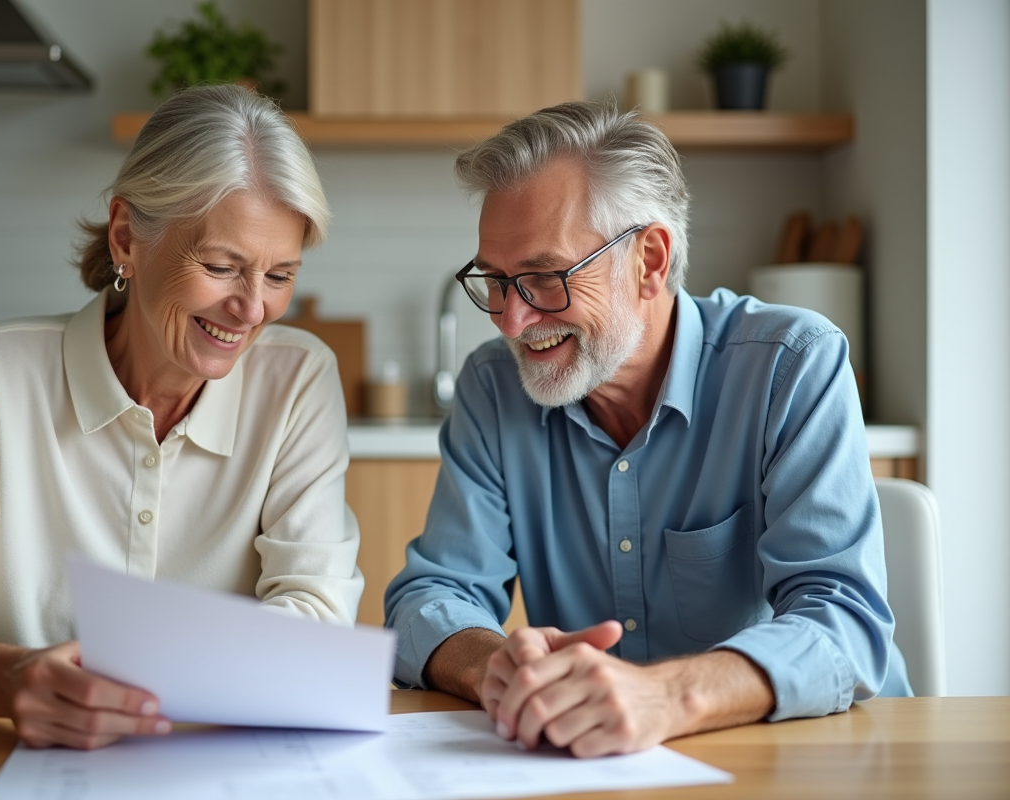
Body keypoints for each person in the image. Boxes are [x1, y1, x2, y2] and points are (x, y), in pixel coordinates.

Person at [0, 85, 363, 750]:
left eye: (279, 275)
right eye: (222, 266)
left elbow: (316, 612)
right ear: (127, 238)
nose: (253, 308)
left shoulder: (298, 380)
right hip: (15, 762)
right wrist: (9, 679)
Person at [385, 101, 910, 758]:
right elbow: (432, 595)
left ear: (650, 260)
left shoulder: (791, 366)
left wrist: (665, 696)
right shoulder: (493, 388)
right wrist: (499, 667)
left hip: (815, 756)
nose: (511, 321)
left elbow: (845, 626)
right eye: (495, 280)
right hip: (598, 762)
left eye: (546, 277)